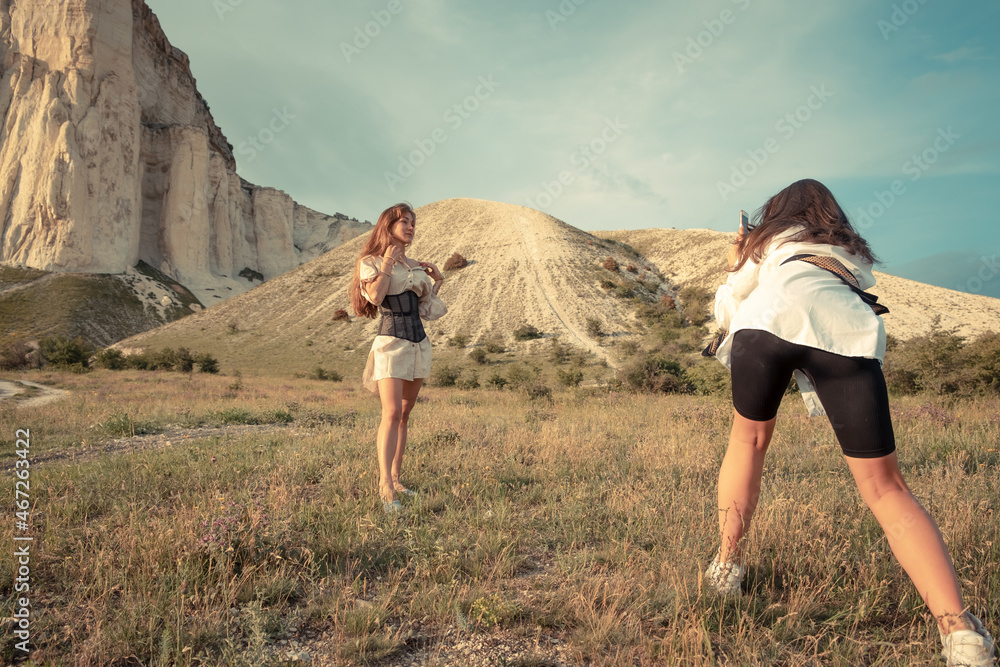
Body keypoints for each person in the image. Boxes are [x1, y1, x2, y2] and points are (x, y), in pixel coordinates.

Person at [706, 179, 995, 666]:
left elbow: (727, 305)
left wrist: (741, 255)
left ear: (775, 213)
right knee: (885, 487)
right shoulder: (849, 249)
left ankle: (727, 563)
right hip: (843, 331)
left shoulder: (768, 241)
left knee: (748, 441)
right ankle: (960, 631)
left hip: (762, 323)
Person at [349, 203, 446, 514]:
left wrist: (438, 281)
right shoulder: (371, 261)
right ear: (387, 225)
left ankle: (397, 478)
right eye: (403, 221)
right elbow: (375, 298)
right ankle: (384, 487)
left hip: (419, 342)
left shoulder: (417, 266)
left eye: (413, 223)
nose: (410, 227)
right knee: (390, 413)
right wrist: (389, 261)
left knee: (405, 414)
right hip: (391, 342)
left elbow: (429, 312)